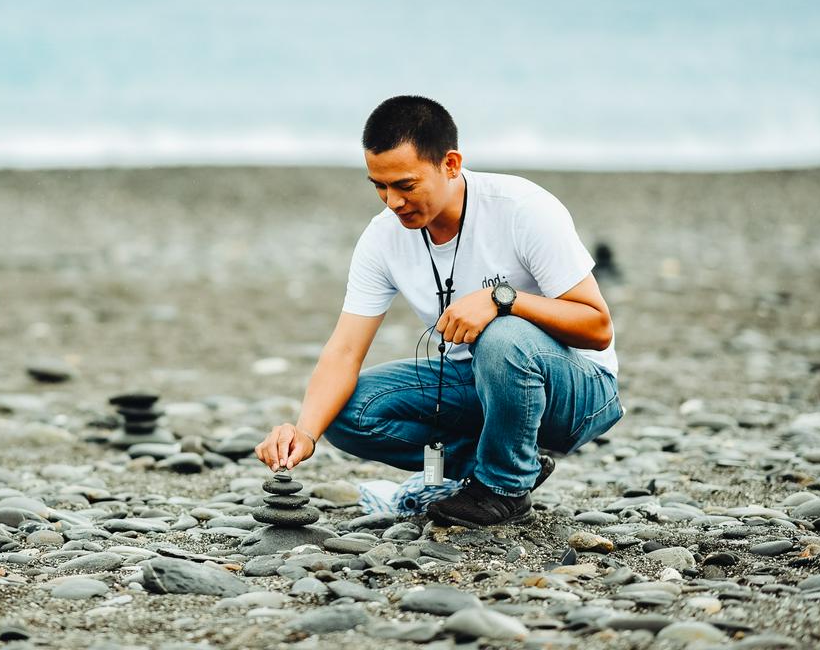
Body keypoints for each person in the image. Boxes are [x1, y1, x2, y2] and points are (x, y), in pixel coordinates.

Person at [255, 95, 623, 527]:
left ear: (450, 164)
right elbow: (344, 351)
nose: (391, 201)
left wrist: (502, 300)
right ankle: (505, 464)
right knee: (345, 412)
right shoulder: (382, 238)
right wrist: (305, 431)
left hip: (578, 390)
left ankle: (504, 488)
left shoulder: (521, 208)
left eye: (405, 185)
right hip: (473, 384)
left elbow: (597, 326)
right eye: (379, 185)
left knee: (502, 336)